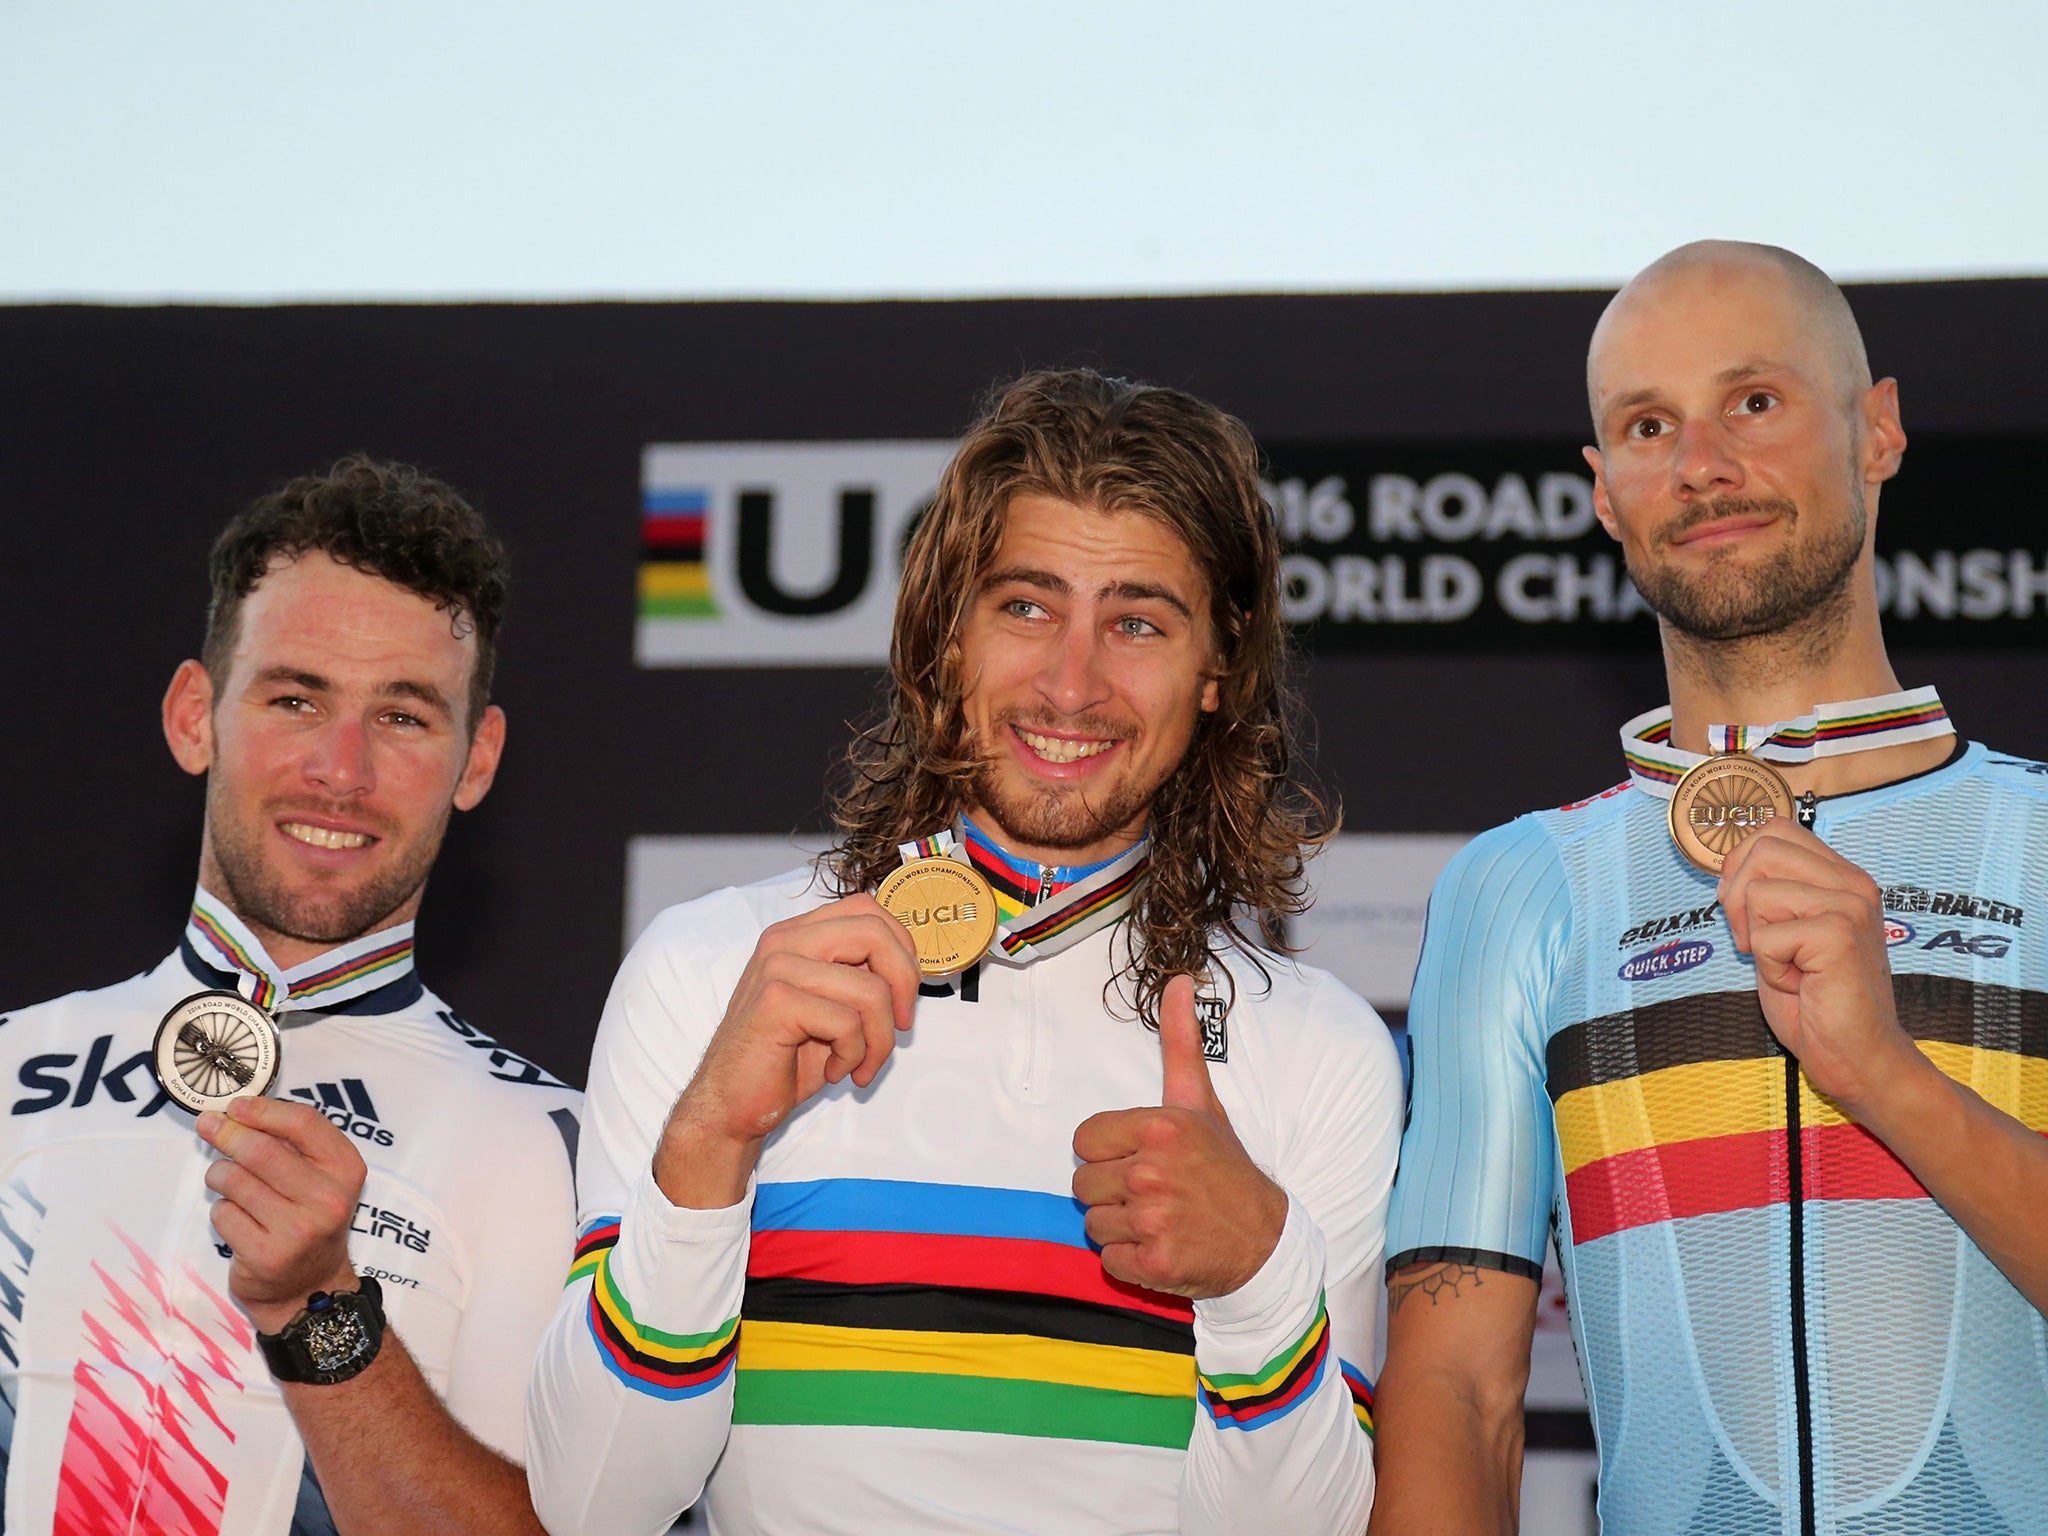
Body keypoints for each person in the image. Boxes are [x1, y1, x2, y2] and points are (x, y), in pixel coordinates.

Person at [526, 368, 1402, 1536]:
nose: (1071, 683)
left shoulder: (1318, 1046)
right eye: (1025, 607)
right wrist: (708, 1146)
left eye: (1135, 622)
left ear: (1215, 671)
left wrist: (1253, 1280)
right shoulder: (712, 971)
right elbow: (593, 1504)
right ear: (945, 632)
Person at [1369, 241, 2048, 1535]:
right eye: (1647, 425)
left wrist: (1882, 1068)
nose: (1700, 466)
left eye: (1754, 402)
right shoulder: (1522, 889)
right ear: (1604, 493)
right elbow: (1458, 1389)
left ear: (1878, 430)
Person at [0, 457, 581, 1534]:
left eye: (403, 717)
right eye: (295, 697)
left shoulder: (551, 1148)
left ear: (475, 758)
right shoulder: (6, 1071)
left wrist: (323, 1312)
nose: (341, 770)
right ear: (193, 715)